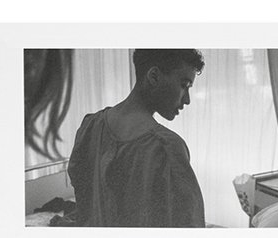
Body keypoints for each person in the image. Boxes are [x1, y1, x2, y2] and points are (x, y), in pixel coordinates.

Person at [68, 49, 206, 227]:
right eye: (184, 85)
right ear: (154, 76)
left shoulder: (91, 127)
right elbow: (189, 226)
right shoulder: (166, 148)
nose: (187, 99)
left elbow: (83, 204)